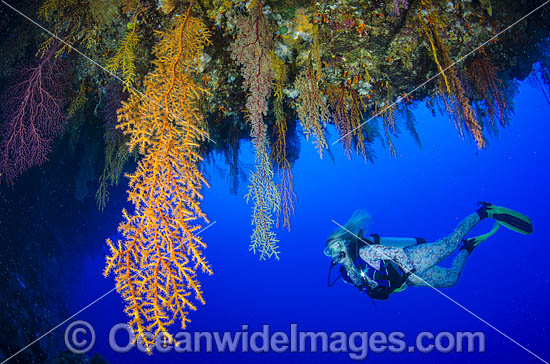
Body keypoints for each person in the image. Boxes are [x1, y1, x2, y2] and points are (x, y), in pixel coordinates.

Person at [324, 202, 533, 300]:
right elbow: (372, 283)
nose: (334, 252)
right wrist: (382, 291)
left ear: (345, 242)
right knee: (452, 279)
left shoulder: (364, 253)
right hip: (410, 280)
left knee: (449, 244)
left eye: (336, 245)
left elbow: (395, 254)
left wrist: (405, 271)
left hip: (413, 260)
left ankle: (484, 212)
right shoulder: (348, 276)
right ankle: (468, 247)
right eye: (329, 251)